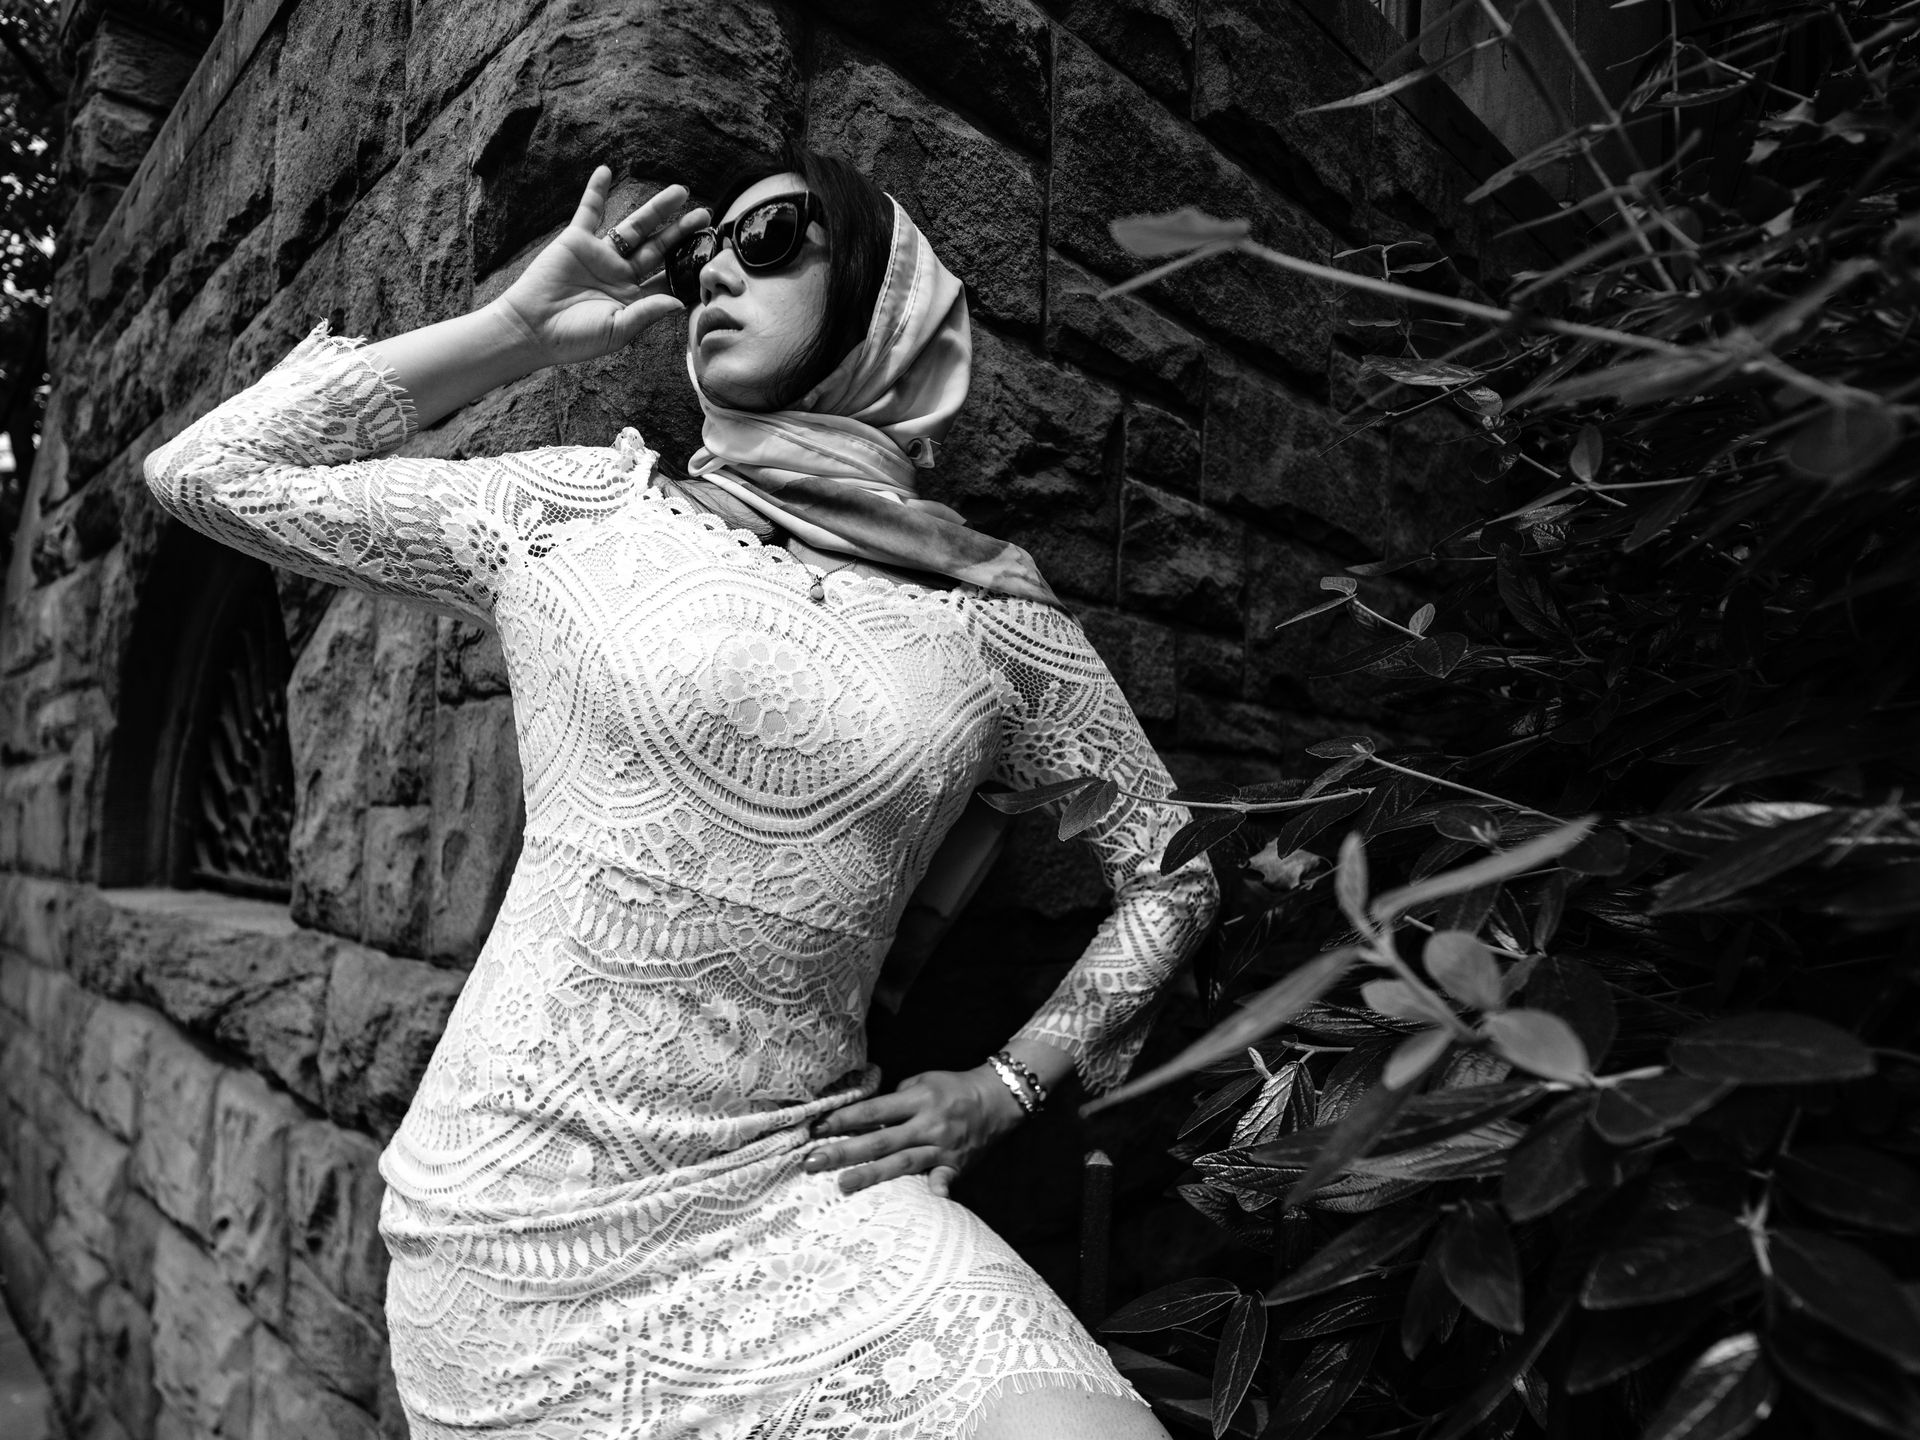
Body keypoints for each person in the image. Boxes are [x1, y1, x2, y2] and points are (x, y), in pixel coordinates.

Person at [144, 142, 1220, 1439]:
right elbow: (212, 478)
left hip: (810, 1199)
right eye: (709, 247)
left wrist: (1005, 1087)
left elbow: (1169, 872)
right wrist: (515, 329)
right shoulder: (582, 510)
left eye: (771, 242)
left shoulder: (987, 610)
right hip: (522, 1227)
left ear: (884, 302)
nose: (718, 267)